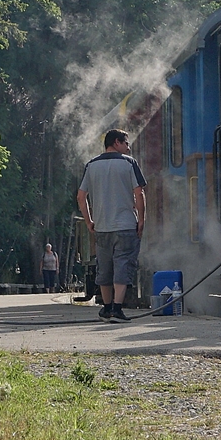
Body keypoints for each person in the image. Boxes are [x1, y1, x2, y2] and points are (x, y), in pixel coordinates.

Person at [76, 128, 146, 323]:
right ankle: (117, 309)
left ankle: (106, 309)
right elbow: (139, 194)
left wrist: (89, 221)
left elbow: (81, 197)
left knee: (104, 268)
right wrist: (141, 219)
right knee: (123, 265)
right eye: (126, 143)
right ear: (116, 142)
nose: (128, 147)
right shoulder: (129, 163)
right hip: (125, 225)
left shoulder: (91, 165)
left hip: (102, 227)